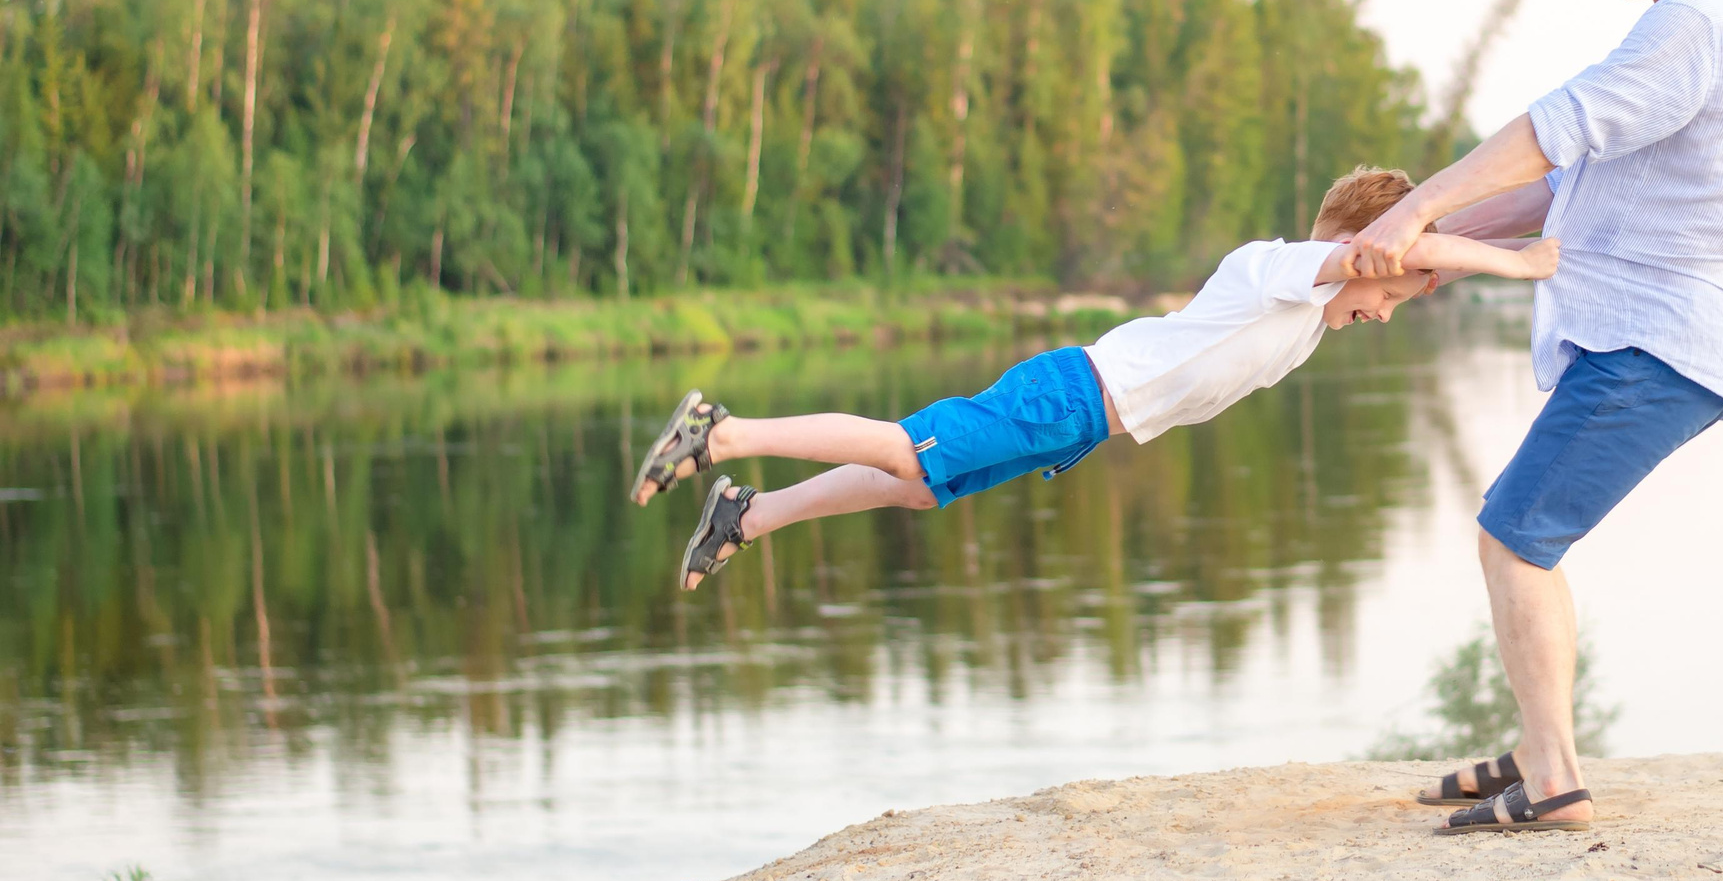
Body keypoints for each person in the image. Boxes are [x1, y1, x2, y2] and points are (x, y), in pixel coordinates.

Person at [1347, 0, 1723, 835]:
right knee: (1521, 528)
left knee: (1514, 535)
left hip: (1658, 341)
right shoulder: (1697, 30)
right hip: (1650, 338)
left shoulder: (1691, 29)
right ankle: (1543, 745)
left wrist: (1414, 216)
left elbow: (1551, 130)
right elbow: (1559, 187)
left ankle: (1552, 779)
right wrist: (1431, 238)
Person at [627, 167, 1559, 591]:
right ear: (1365, 249)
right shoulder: (1279, 268)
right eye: (1389, 291)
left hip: (1082, 423)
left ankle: (747, 514)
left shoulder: (1308, 323)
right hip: (1072, 391)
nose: (1386, 312)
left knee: (916, 491)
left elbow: (1428, 259)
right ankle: (723, 430)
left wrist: (1515, 231)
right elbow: (1394, 254)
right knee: (906, 448)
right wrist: (1526, 263)